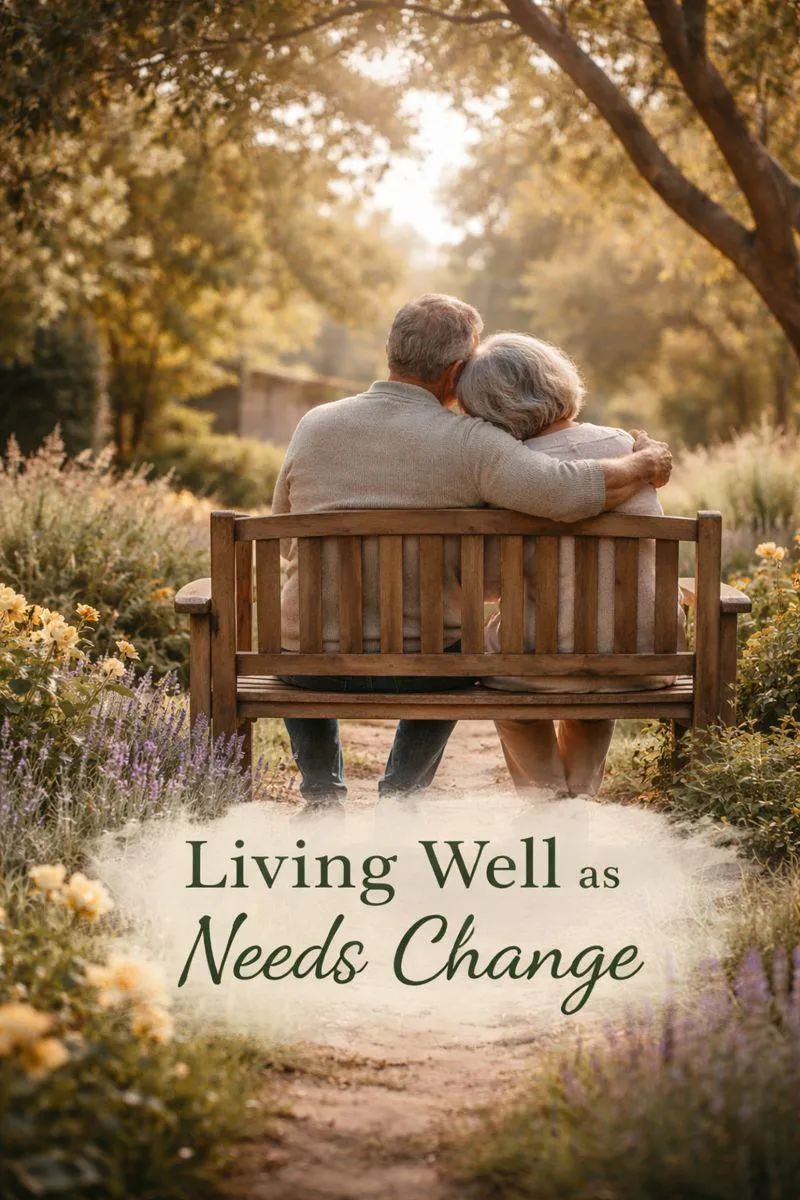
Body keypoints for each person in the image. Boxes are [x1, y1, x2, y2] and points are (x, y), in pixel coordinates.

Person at [271, 295, 673, 812]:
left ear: (391, 350)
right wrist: (644, 464)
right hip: (425, 664)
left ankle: (323, 794)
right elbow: (565, 491)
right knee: (456, 648)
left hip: (309, 662)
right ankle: (402, 794)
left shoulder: (314, 424)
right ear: (458, 370)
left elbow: (284, 541)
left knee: (301, 629)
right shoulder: (472, 442)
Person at [457, 331, 684, 798]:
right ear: (556, 379)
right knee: (596, 652)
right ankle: (576, 799)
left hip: (533, 664)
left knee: (517, 687)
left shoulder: (504, 474)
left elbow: (488, 587)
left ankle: (546, 805)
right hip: (641, 656)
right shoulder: (631, 449)